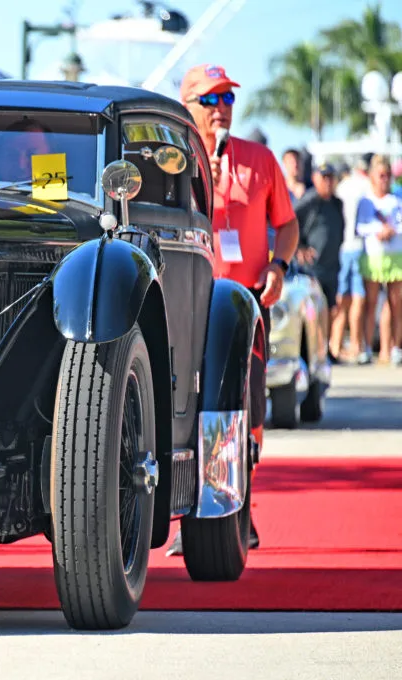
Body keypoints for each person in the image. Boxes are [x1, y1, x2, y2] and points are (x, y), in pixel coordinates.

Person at [168, 64, 299, 556]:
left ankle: (236, 509)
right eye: (210, 100)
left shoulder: (259, 158)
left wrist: (280, 266)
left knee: (247, 410)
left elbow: (285, 224)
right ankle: (192, 514)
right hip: (187, 307)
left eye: (227, 100)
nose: (221, 109)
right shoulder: (171, 159)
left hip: (243, 309)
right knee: (189, 412)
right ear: (186, 106)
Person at [356, 155, 402, 366]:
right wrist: (378, 230)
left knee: (396, 304)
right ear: (373, 177)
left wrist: (392, 231)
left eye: (387, 176)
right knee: (370, 304)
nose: (384, 179)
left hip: (395, 258)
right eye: (381, 175)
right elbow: (361, 227)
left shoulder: (396, 200)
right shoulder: (366, 201)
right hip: (374, 257)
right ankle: (365, 348)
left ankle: (395, 348)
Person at [294, 161, 345, 325]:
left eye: (330, 177)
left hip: (332, 267)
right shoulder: (310, 201)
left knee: (332, 309)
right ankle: (315, 348)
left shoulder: (337, 203)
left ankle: (328, 348)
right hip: (313, 268)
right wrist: (298, 247)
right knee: (314, 310)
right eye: (324, 177)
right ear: (315, 179)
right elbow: (288, 220)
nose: (328, 182)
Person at [334, 153, 373, 363]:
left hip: (343, 248)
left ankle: (336, 343)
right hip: (359, 247)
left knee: (342, 297)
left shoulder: (343, 186)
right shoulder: (365, 185)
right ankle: (356, 345)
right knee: (358, 297)